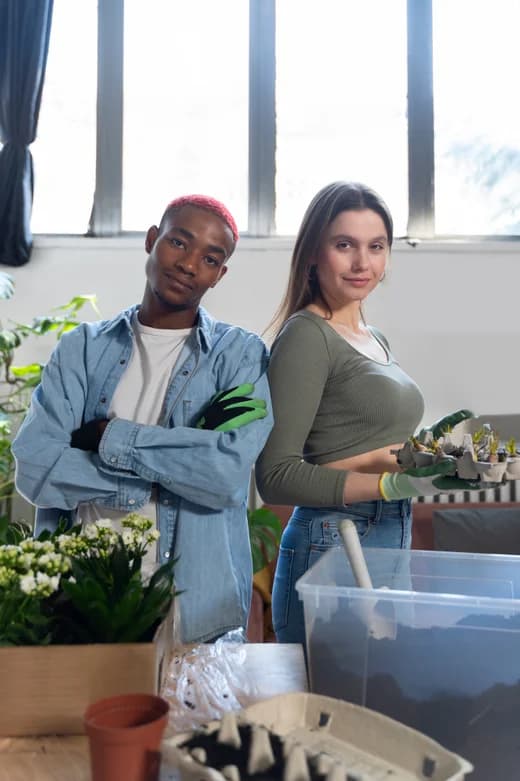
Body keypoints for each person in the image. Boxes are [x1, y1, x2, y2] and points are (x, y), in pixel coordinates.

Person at [13, 194, 274, 644]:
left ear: (219, 275)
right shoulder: (83, 348)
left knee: (198, 717)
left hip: (193, 605)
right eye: (179, 242)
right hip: (83, 597)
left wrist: (108, 436)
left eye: (210, 258)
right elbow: (36, 466)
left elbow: (224, 476)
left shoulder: (240, 355)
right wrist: (157, 479)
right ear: (153, 240)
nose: (190, 264)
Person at [255, 180, 486, 644]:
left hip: (388, 534)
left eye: (375, 246)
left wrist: (426, 461)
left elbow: (361, 446)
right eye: (345, 245)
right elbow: (275, 475)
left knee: (372, 698)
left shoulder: (373, 337)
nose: (363, 262)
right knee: (331, 705)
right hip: (332, 540)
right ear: (314, 254)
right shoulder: (306, 336)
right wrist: (390, 482)